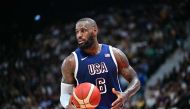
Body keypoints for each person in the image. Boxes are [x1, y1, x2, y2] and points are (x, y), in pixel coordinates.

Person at [60, 18, 141, 109]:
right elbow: (65, 94)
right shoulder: (70, 62)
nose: (79, 35)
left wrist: (126, 95)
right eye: (77, 32)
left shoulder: (114, 54)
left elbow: (135, 80)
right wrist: (68, 106)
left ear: (95, 30)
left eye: (83, 31)